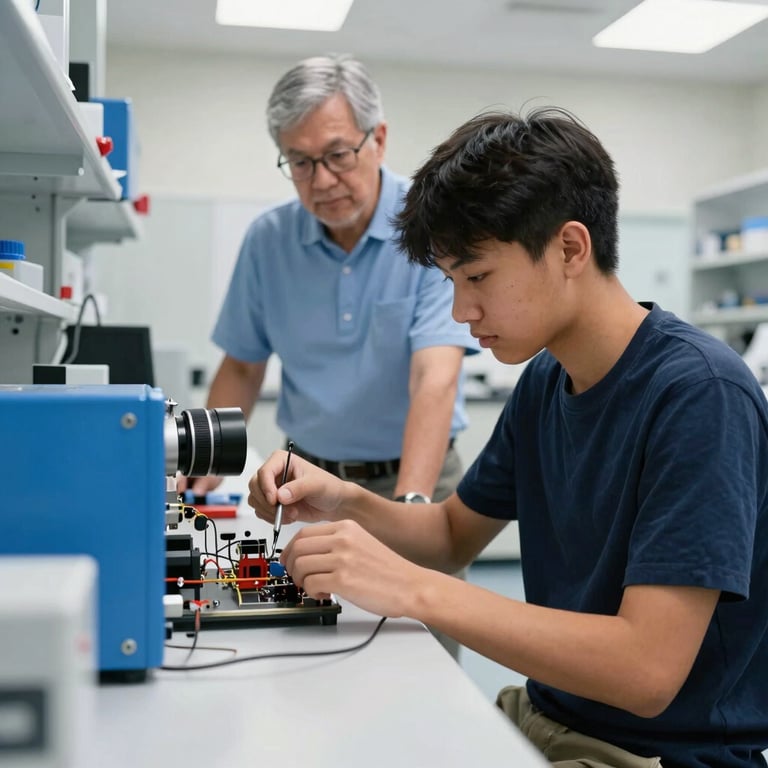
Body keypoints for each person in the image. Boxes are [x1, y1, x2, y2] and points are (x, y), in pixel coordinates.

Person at [247, 107, 768, 767]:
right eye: (451, 284)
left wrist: (413, 590)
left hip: (656, 754)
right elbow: (450, 536)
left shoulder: (699, 396)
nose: (463, 312)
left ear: (570, 249)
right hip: (545, 717)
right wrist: (345, 499)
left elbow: (646, 670)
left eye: (478, 277)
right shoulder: (547, 378)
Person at [181, 54, 478, 659]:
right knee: (309, 655)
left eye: (338, 154)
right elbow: (242, 364)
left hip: (413, 479)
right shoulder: (268, 241)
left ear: (380, 139)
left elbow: (433, 381)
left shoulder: (432, 231)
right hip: (308, 483)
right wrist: (202, 461)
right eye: (300, 161)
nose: (320, 180)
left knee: (420, 661)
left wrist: (410, 511)